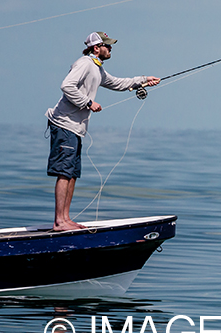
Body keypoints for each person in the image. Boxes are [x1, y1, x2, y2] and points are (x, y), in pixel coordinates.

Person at [45, 32, 160, 231]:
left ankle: (65, 218)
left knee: (72, 174)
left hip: (76, 129)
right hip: (64, 124)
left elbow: (118, 83)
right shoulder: (84, 63)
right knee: (64, 173)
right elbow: (66, 86)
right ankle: (59, 221)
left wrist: (143, 79)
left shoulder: (97, 69)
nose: (111, 48)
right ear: (96, 48)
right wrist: (88, 102)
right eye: (107, 45)